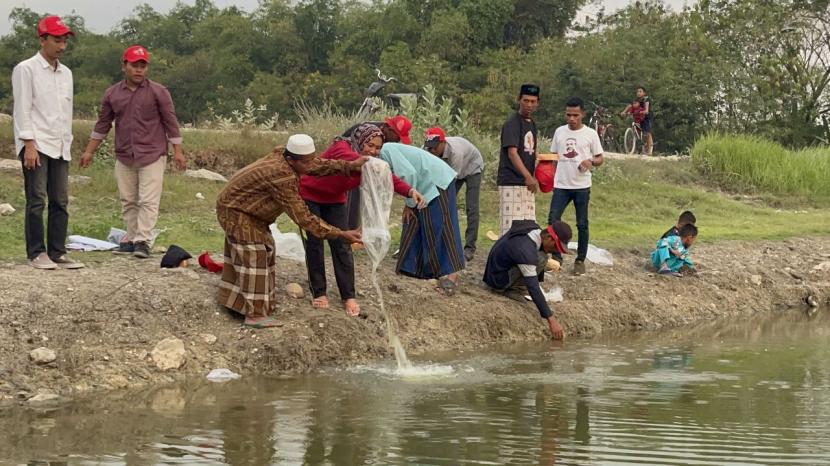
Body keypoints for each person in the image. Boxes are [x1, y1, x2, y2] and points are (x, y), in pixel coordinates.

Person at [215, 134, 366, 328]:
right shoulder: (281, 175)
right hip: (236, 211)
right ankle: (255, 315)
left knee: (266, 250)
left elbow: (316, 164)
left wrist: (350, 166)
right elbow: (303, 218)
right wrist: (341, 234)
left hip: (250, 211)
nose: (311, 164)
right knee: (254, 256)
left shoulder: (286, 156)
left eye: (313, 158)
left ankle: (240, 304)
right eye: (306, 161)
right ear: (291, 160)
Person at [299, 124, 424, 316]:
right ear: (360, 140)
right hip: (310, 194)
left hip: (335, 199)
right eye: (370, 145)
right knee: (315, 243)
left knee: (342, 244)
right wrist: (372, 163)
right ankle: (319, 292)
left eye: (378, 148)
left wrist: (409, 190)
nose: (374, 151)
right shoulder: (341, 148)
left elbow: (386, 176)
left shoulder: (372, 162)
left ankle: (348, 295)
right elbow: (359, 162)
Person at [80, 45, 186, 259]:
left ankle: (143, 240)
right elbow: (103, 124)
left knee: (148, 200)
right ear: (124, 66)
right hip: (125, 154)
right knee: (128, 199)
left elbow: (170, 121)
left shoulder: (158, 92)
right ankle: (131, 237)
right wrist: (89, 151)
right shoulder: (112, 94)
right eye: (134, 65)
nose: (139, 70)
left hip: (152, 153)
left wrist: (178, 151)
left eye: (142, 66)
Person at [12, 16, 84, 270]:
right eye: (56, 40)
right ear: (42, 40)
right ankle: (36, 253)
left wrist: (68, 142)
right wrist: (28, 143)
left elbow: (66, 111)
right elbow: (22, 109)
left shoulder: (66, 73)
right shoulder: (26, 69)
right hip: (37, 143)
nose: (61, 46)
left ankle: (57, 251)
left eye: (64, 40)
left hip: (60, 143)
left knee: (60, 200)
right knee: (37, 199)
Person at [378, 142, 465, 295]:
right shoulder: (375, 157)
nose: (370, 149)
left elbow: (408, 174)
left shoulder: (385, 151)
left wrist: (410, 203)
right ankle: (415, 267)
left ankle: (452, 275)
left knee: (441, 226)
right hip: (421, 185)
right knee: (415, 222)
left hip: (436, 181)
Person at [483, 220, 572, 340]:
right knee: (541, 258)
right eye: (556, 247)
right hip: (497, 279)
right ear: (548, 238)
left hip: (496, 269)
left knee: (541, 257)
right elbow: (533, 287)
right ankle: (508, 289)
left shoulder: (533, 229)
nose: (555, 251)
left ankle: (516, 286)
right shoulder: (525, 250)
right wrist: (552, 320)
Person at [547, 97, 604, 276]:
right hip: (561, 184)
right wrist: (548, 177)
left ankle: (580, 260)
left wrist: (590, 161)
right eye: (568, 115)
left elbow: (600, 158)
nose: (571, 119)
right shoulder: (559, 132)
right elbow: (553, 156)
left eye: (575, 115)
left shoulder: (590, 134)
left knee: (582, 224)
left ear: (583, 115)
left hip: (581, 185)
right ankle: (556, 256)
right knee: (553, 219)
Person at [341, 115, 413, 230]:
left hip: (361, 165)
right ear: (389, 129)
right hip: (348, 166)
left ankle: (362, 230)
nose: (398, 140)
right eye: (397, 136)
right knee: (352, 197)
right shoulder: (369, 131)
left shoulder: (384, 136)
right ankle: (348, 232)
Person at [423, 126, 484, 262]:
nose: (432, 151)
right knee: (439, 203)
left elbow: (448, 183)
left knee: (471, 207)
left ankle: (469, 248)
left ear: (443, 143)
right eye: (429, 148)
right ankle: (436, 241)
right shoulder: (427, 149)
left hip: (472, 167)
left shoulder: (456, 153)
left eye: (434, 148)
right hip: (453, 170)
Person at [497, 84, 540, 236]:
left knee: (527, 226)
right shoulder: (512, 123)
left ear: (538, 103)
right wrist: (528, 176)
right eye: (526, 100)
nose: (529, 105)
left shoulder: (532, 124)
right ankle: (503, 258)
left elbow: (530, 152)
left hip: (526, 182)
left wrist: (537, 174)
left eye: (533, 101)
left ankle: (522, 257)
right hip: (511, 181)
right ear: (519, 100)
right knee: (510, 227)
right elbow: (512, 153)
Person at [636, 86, 654, 155]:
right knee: (641, 132)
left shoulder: (646, 99)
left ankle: (649, 151)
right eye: (637, 91)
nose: (638, 93)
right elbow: (631, 107)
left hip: (647, 117)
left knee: (647, 133)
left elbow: (646, 108)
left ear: (644, 93)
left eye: (640, 91)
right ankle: (642, 148)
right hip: (640, 117)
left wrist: (645, 111)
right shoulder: (637, 101)